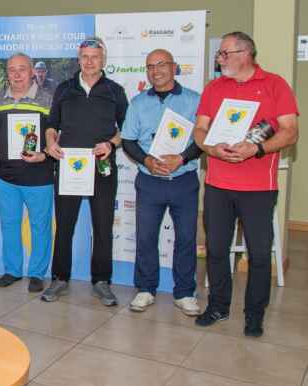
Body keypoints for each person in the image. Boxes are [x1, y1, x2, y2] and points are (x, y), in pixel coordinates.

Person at [193, 32, 299, 337]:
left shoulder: (275, 85)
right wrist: (211, 148)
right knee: (216, 249)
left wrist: (257, 148)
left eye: (224, 53)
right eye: (220, 54)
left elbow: (290, 131)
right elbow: (199, 129)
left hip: (259, 189)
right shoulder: (214, 88)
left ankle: (254, 314)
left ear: (245, 54)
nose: (220, 58)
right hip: (218, 184)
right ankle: (218, 306)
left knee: (260, 254)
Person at [42, 37, 128, 306]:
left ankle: (101, 282)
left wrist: (111, 144)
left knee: (102, 226)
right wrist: (50, 143)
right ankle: (59, 278)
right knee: (64, 225)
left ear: (103, 60)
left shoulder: (115, 91)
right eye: (85, 57)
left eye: (95, 57)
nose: (89, 62)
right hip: (70, 167)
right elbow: (52, 124)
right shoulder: (64, 89)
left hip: (102, 167)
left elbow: (127, 130)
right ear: (78, 59)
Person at [121, 49, 203, 315]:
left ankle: (185, 292)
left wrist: (182, 158)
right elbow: (128, 141)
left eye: (161, 65)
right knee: (145, 237)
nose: (156, 71)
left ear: (173, 67)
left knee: (186, 238)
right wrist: (146, 161)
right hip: (149, 181)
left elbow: (202, 140)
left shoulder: (194, 100)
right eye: (150, 66)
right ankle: (146, 289)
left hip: (183, 180)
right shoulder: (138, 103)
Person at [0, 53, 55, 293]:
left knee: (40, 226)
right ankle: (12, 270)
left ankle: (37, 273)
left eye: (22, 69)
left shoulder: (48, 99)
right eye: (11, 69)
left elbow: (58, 133)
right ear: (7, 73)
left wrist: (44, 155)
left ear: (32, 72)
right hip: (5, 176)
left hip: (39, 175)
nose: (17, 74)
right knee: (9, 224)